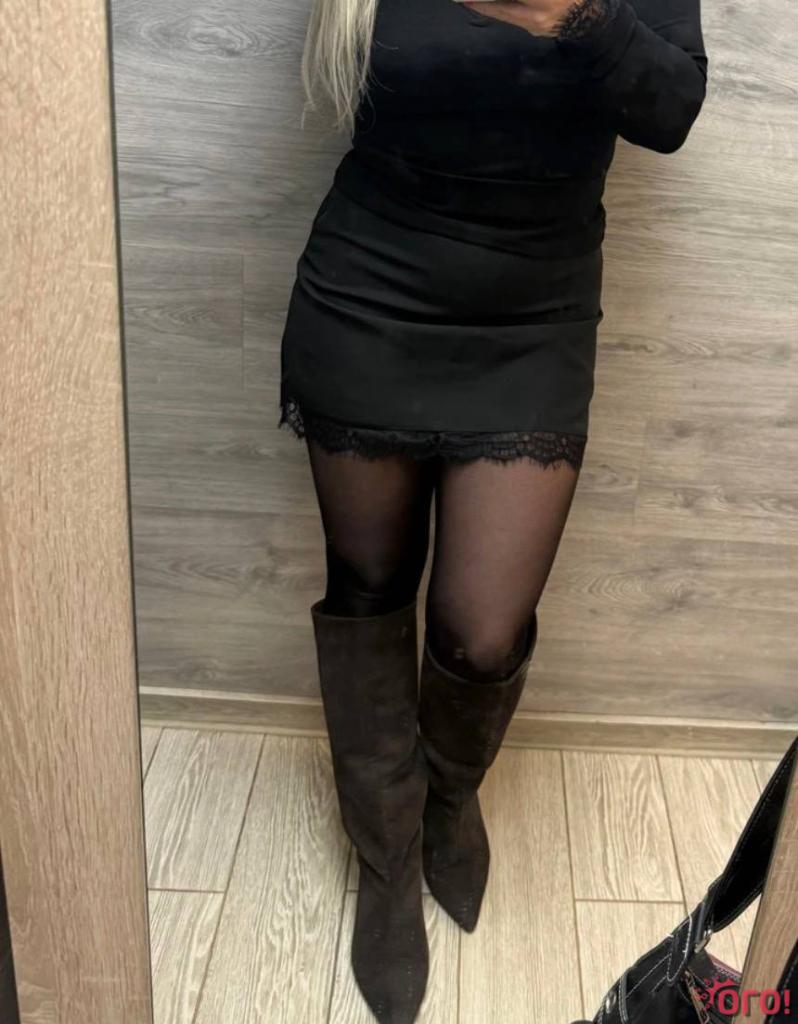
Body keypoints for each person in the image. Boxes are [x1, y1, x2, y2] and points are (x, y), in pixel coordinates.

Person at [278, 0, 708, 1019]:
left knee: (482, 632)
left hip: (536, 314)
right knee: (369, 585)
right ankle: (386, 854)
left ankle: (447, 794)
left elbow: (670, 110)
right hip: (369, 289)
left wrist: (567, 12)